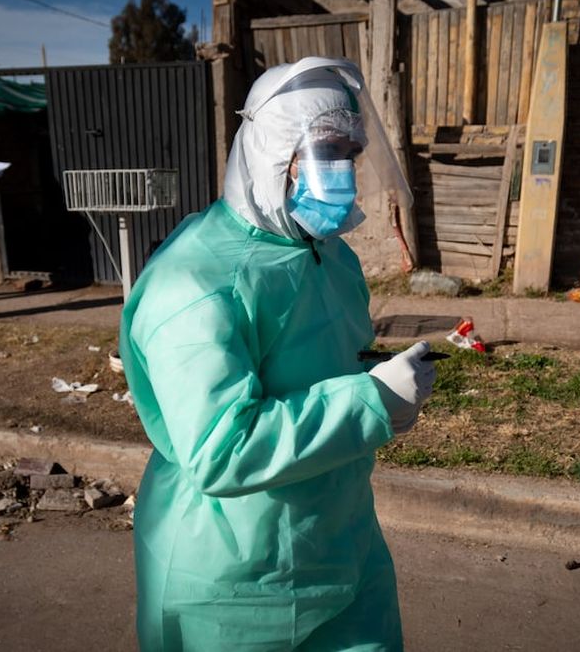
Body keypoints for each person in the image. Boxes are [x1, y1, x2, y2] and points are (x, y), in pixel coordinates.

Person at [118, 57, 437, 650]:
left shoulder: (326, 254)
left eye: (349, 154)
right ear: (270, 155)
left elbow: (321, 366)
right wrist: (370, 401)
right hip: (234, 580)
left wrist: (372, 378)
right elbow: (220, 448)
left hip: (341, 544)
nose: (339, 172)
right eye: (324, 153)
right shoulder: (194, 282)